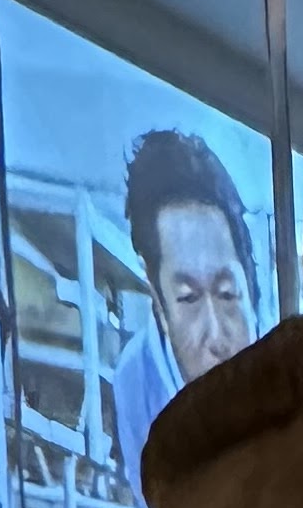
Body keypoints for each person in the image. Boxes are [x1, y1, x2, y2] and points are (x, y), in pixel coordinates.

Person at [111, 132, 262, 489]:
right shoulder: (136, 383)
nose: (217, 337)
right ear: (158, 302)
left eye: (227, 294)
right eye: (189, 299)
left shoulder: (295, 350)